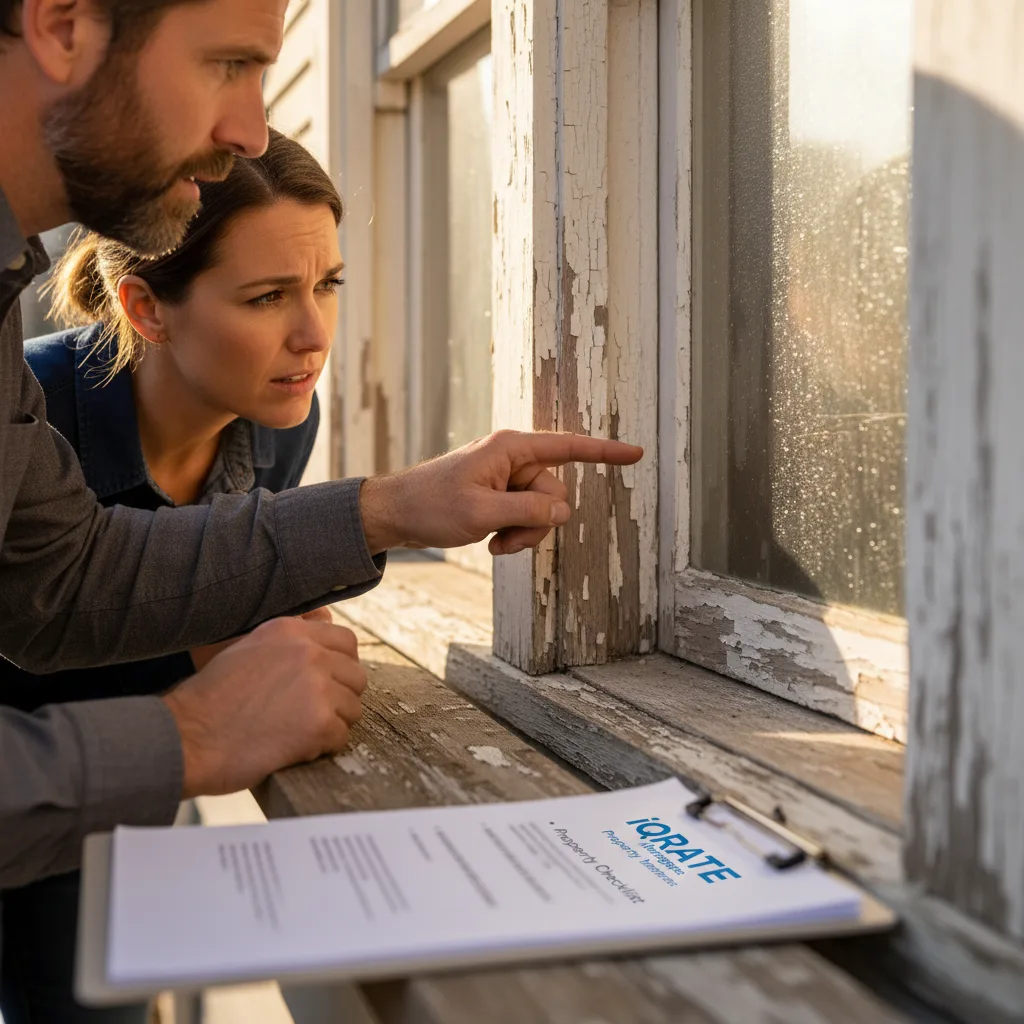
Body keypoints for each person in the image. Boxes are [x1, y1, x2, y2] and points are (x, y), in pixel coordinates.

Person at [0, 0, 642, 897]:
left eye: (329, 284)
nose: (252, 129)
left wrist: (388, 508)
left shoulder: (269, 423)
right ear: (64, 24)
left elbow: (58, 580)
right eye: (228, 64)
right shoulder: (44, 386)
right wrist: (194, 734)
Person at [0, 127, 348, 1023]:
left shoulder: (282, 416)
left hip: (149, 788)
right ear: (146, 307)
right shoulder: (29, 414)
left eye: (328, 285)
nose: (314, 335)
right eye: (268, 296)